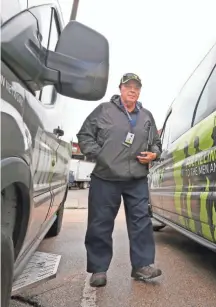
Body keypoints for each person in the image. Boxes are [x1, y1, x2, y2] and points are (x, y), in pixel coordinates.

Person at [77, 73, 162, 287]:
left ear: (140, 91)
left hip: (136, 178)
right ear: (120, 88)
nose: (132, 90)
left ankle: (142, 266)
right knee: (100, 222)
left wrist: (154, 154)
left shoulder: (147, 116)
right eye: (128, 86)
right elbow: (84, 135)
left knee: (141, 222)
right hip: (106, 176)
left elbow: (156, 144)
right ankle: (98, 269)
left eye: (136, 87)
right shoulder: (104, 110)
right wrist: (101, 156)